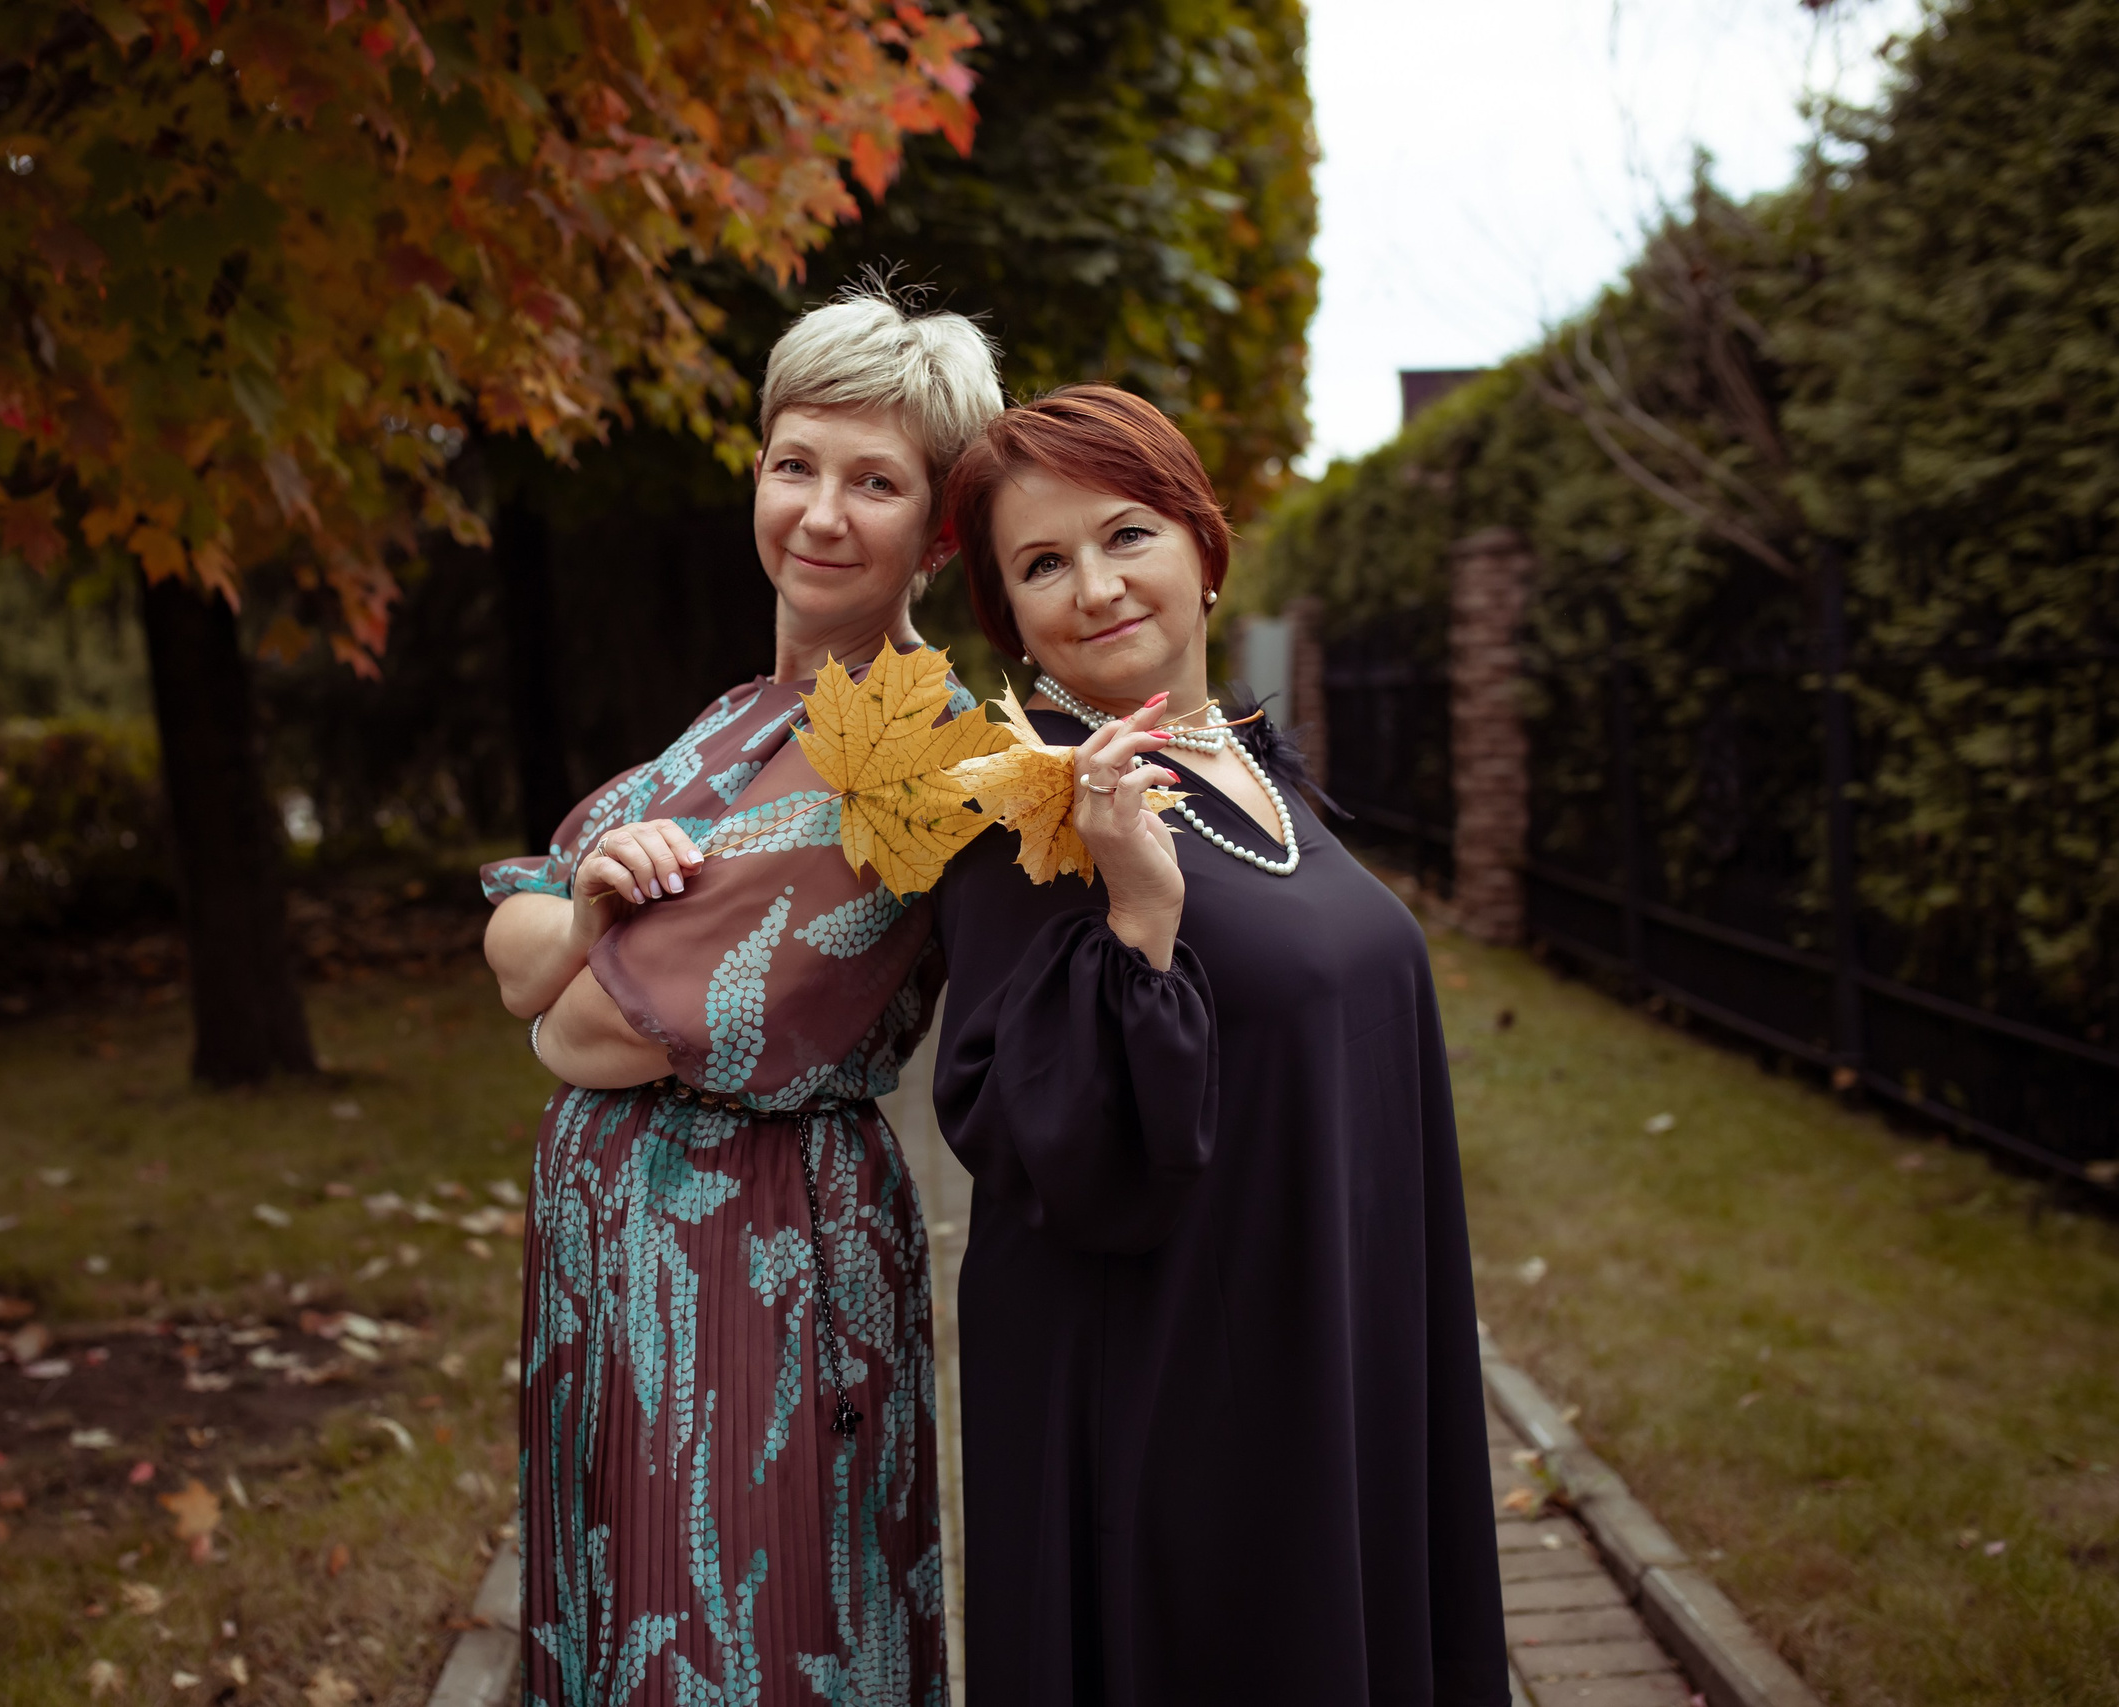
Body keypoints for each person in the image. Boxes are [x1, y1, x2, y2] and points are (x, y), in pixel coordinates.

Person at [929, 385, 1508, 1705]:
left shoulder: (1255, 763)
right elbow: (1045, 1146)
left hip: (1337, 1341)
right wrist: (1139, 909)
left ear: (1202, 544)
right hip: (1181, 1407)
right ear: (1012, 619)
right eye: (1040, 563)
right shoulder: (1033, 816)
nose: (1093, 585)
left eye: (1125, 533)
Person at [479, 286, 1000, 1706]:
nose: (823, 512)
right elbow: (516, 945)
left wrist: (569, 941)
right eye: (796, 464)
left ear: (940, 528)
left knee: (739, 1647)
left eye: (876, 481)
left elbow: (584, 1030)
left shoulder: (904, 757)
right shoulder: (739, 715)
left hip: (741, 1274)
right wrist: (582, 909)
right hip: (624, 1278)